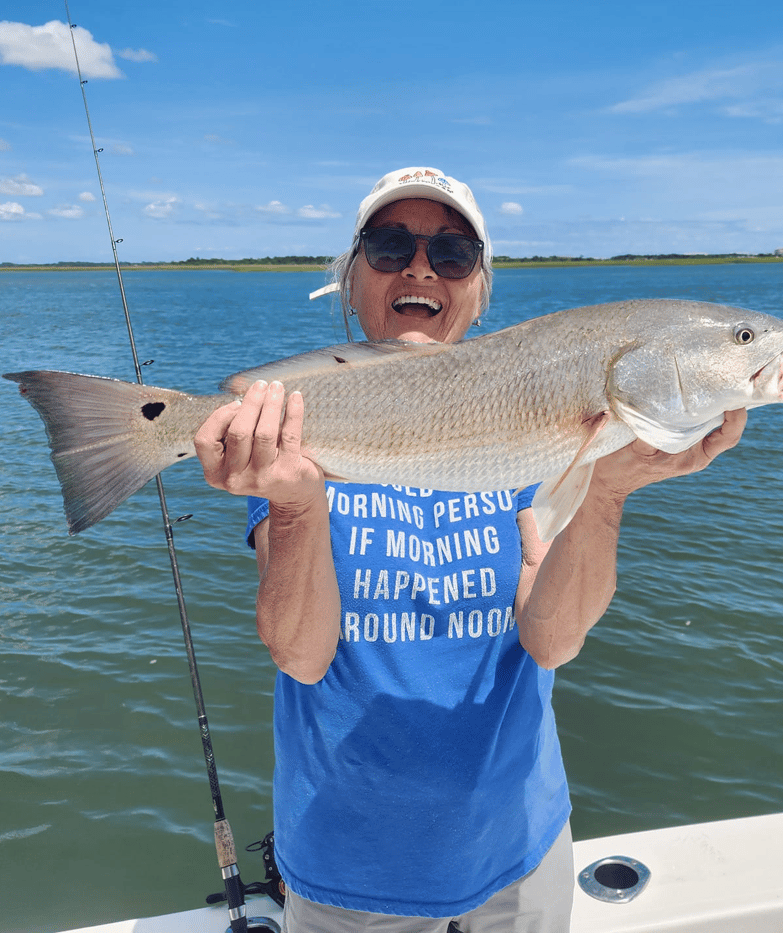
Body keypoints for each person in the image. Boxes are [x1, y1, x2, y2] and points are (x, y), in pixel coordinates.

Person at [194, 167, 746, 932]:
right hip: (350, 865)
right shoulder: (297, 434)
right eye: (390, 246)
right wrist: (293, 506)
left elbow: (550, 638)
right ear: (350, 280)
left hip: (521, 847)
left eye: (452, 254)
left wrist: (608, 489)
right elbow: (302, 655)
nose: (420, 267)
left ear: (479, 288)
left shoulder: (539, 423)